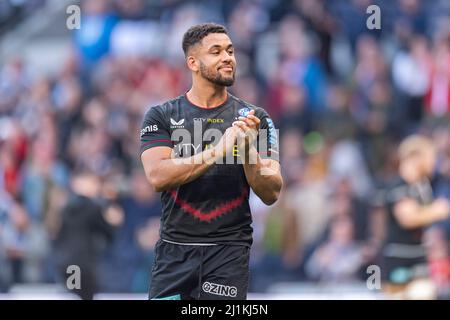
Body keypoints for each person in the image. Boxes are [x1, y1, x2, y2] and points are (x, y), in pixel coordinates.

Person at [140, 23, 282, 300]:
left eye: (230, 51)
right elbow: (157, 176)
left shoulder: (257, 118)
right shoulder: (161, 116)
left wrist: (248, 150)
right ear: (193, 62)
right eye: (215, 52)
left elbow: (272, 191)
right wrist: (218, 150)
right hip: (174, 252)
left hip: (228, 253)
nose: (227, 57)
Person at [381, 135, 450, 298]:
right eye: (430, 156)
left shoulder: (422, 185)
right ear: (416, 157)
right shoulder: (399, 186)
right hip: (399, 260)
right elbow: (408, 218)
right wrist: (436, 210)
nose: (434, 161)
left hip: (418, 256)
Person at [54, 170, 123, 300]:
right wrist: (114, 221)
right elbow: (108, 234)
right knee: (85, 295)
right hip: (83, 266)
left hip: (67, 264)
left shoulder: (66, 208)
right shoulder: (94, 208)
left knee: (74, 295)